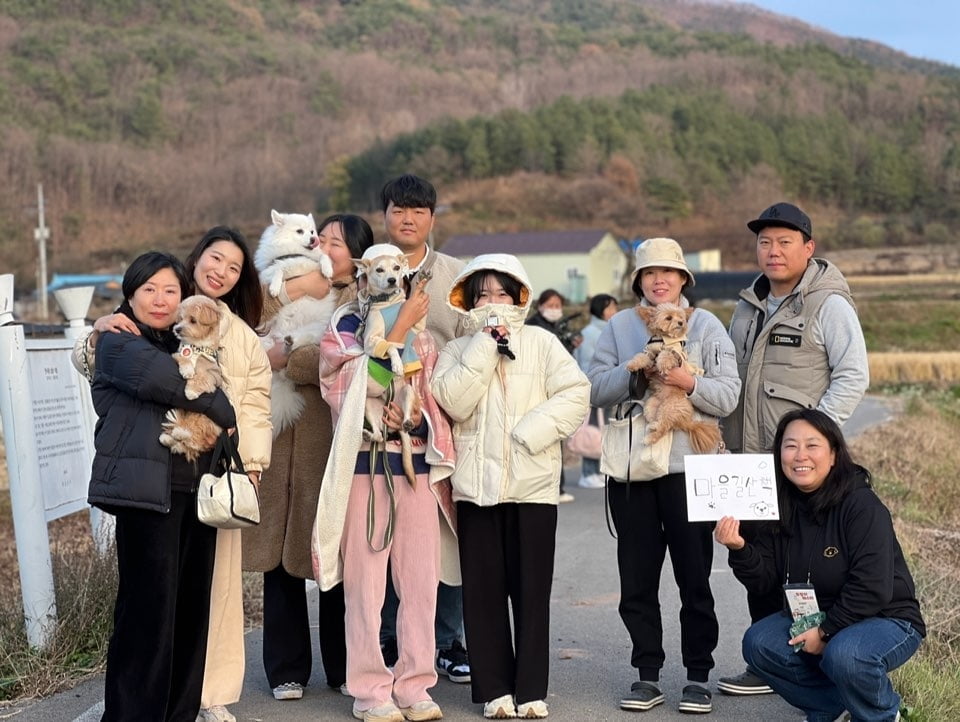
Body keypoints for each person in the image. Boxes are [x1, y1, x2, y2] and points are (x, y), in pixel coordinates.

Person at [76, 228, 273, 722]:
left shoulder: (177, 340)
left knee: (189, 616)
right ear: (130, 295)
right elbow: (171, 383)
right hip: (147, 496)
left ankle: (179, 713)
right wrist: (218, 400)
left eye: (170, 290)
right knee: (147, 618)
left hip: (193, 491)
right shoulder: (120, 343)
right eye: (149, 290)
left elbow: (225, 393)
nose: (161, 300)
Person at [719, 202, 869, 697]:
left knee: (803, 566)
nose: (773, 250)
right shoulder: (747, 306)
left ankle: (814, 656)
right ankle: (771, 662)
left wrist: (814, 441)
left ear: (809, 248)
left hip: (800, 466)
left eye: (785, 241)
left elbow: (853, 376)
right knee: (756, 563)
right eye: (765, 242)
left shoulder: (829, 305)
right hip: (748, 464)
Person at [431, 253, 590, 719]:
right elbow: (452, 403)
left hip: (533, 486)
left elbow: (575, 393)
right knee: (482, 592)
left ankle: (531, 689)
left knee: (531, 590)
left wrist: (530, 433)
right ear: (467, 299)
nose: (494, 302)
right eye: (483, 294)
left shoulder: (540, 342)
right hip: (476, 489)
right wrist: (483, 346)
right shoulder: (457, 349)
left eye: (503, 293)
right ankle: (494, 690)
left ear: (520, 296)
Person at [588, 237, 740, 715]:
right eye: (650, 273)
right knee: (636, 578)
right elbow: (592, 388)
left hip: (688, 470)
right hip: (633, 471)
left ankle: (698, 675)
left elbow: (728, 394)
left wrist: (686, 382)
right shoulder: (617, 327)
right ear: (638, 281)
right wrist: (637, 377)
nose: (659, 280)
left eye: (669, 273)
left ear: (683, 281)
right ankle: (646, 674)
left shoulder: (708, 325)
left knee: (695, 577)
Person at [312, 242, 457, 722]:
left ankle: (416, 685)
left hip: (412, 465)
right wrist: (396, 329)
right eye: (381, 270)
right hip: (362, 465)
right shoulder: (342, 328)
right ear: (362, 276)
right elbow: (352, 387)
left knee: (419, 584)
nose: (391, 277)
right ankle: (371, 690)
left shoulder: (426, 338)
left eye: (399, 270)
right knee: (365, 587)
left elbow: (432, 403)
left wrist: (413, 422)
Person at [715, 409, 924, 722]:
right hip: (817, 616)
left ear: (834, 454)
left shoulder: (861, 505)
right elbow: (765, 582)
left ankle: (882, 713)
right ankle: (833, 706)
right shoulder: (777, 505)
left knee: (846, 655)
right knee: (758, 644)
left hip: (886, 618)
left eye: (812, 445)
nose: (801, 456)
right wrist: (739, 548)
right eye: (790, 446)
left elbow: (872, 588)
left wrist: (825, 631)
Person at [242, 214, 375, 702]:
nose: (325, 244)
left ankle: (344, 666)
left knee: (331, 557)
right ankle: (286, 669)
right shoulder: (283, 284)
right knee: (276, 558)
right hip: (277, 440)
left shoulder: (356, 300)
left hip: (329, 441)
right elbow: (256, 329)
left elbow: (326, 358)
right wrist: (302, 290)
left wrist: (286, 353)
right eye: (325, 238)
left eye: (336, 242)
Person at [376, 174, 472, 687]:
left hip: (442, 423)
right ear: (385, 215)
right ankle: (392, 638)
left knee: (446, 532)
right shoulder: (369, 271)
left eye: (417, 210)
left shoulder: (455, 276)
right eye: (398, 209)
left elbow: (470, 341)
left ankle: (450, 639)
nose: (407, 218)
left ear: (432, 218)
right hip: (381, 422)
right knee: (387, 531)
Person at [526, 288, 582, 502]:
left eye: (558, 305)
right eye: (550, 305)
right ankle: (549, 488)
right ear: (540, 305)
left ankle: (557, 487)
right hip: (540, 389)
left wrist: (571, 345)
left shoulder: (557, 326)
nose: (555, 310)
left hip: (556, 388)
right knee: (544, 438)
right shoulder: (533, 326)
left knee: (555, 438)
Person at [573, 293, 618, 489]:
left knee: (601, 431)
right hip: (593, 388)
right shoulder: (591, 332)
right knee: (590, 431)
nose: (614, 311)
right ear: (601, 309)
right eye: (611, 307)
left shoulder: (608, 330)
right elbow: (588, 363)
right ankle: (587, 472)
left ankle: (598, 471)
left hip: (606, 388)